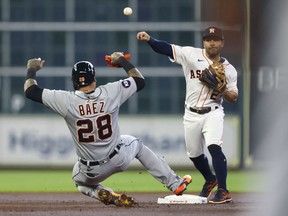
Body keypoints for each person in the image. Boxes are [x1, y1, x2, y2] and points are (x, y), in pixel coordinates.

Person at [23, 52, 191, 207]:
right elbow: (139, 81)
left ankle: (99, 192)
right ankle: (175, 184)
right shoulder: (111, 92)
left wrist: (32, 68)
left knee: (79, 182)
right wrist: (122, 61)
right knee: (136, 145)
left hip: (91, 170)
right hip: (118, 158)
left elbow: (30, 91)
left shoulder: (65, 101)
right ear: (94, 78)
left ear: (74, 81)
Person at [137, 27, 238, 204]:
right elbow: (166, 48)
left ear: (222, 43)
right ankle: (210, 179)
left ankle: (223, 190)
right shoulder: (191, 54)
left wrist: (221, 89)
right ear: (203, 42)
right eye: (208, 39)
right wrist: (150, 40)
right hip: (191, 114)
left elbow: (233, 97)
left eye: (215, 39)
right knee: (194, 154)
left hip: (213, 112)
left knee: (214, 146)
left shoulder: (229, 69)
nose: (211, 42)